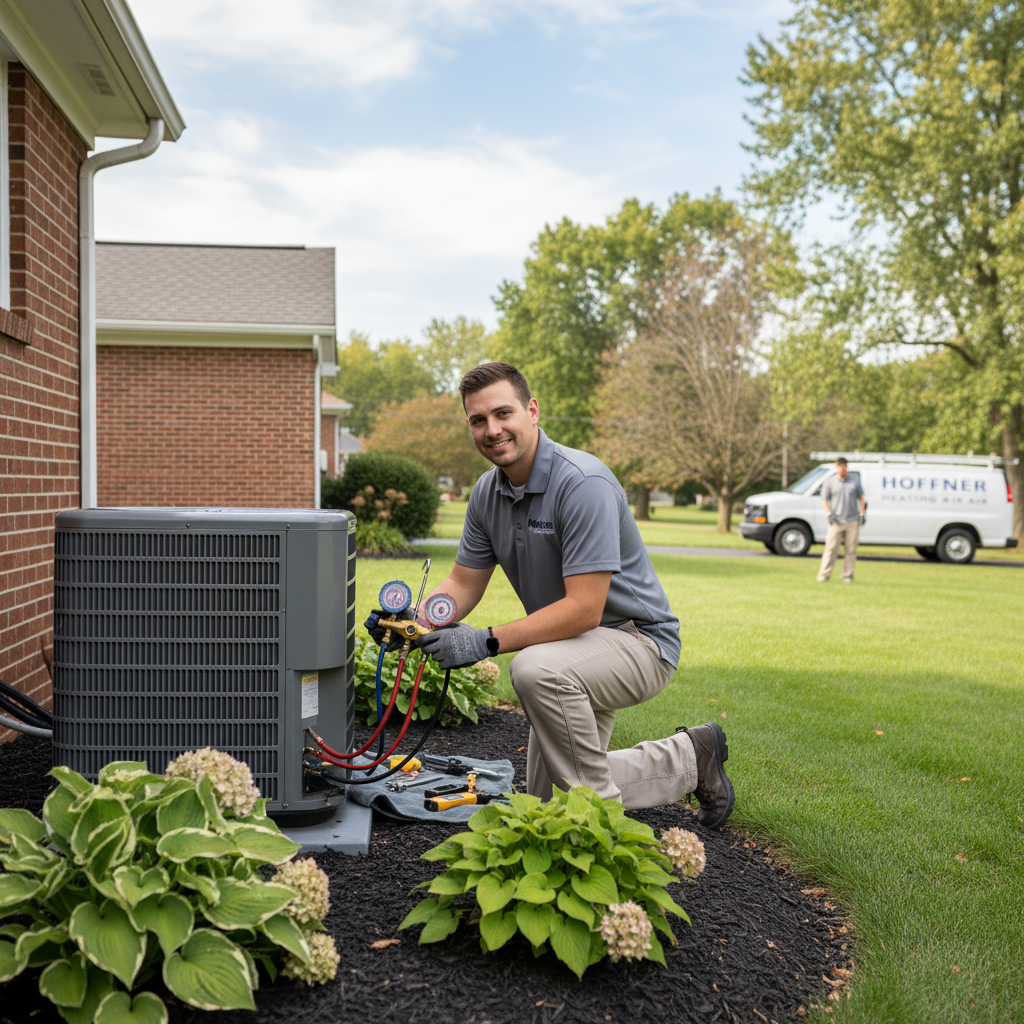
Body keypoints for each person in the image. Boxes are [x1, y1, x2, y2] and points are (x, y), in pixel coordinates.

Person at [402, 362, 733, 827]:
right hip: (570, 650)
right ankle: (690, 758)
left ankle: (600, 830)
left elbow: (584, 609)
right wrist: (417, 619)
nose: (492, 430)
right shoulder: (486, 493)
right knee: (546, 801)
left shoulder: (582, 483)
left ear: (532, 411)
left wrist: (484, 641)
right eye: (478, 420)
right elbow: (462, 582)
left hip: (638, 641)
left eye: (503, 413)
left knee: (533, 670)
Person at [816, 457, 866, 584]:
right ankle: (823, 575)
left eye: (844, 467)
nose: (842, 469)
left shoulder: (854, 481)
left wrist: (863, 513)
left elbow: (861, 499)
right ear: (836, 466)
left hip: (852, 521)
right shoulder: (830, 482)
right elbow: (824, 500)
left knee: (851, 550)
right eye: (840, 466)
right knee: (831, 549)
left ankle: (847, 576)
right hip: (836, 521)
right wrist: (828, 514)